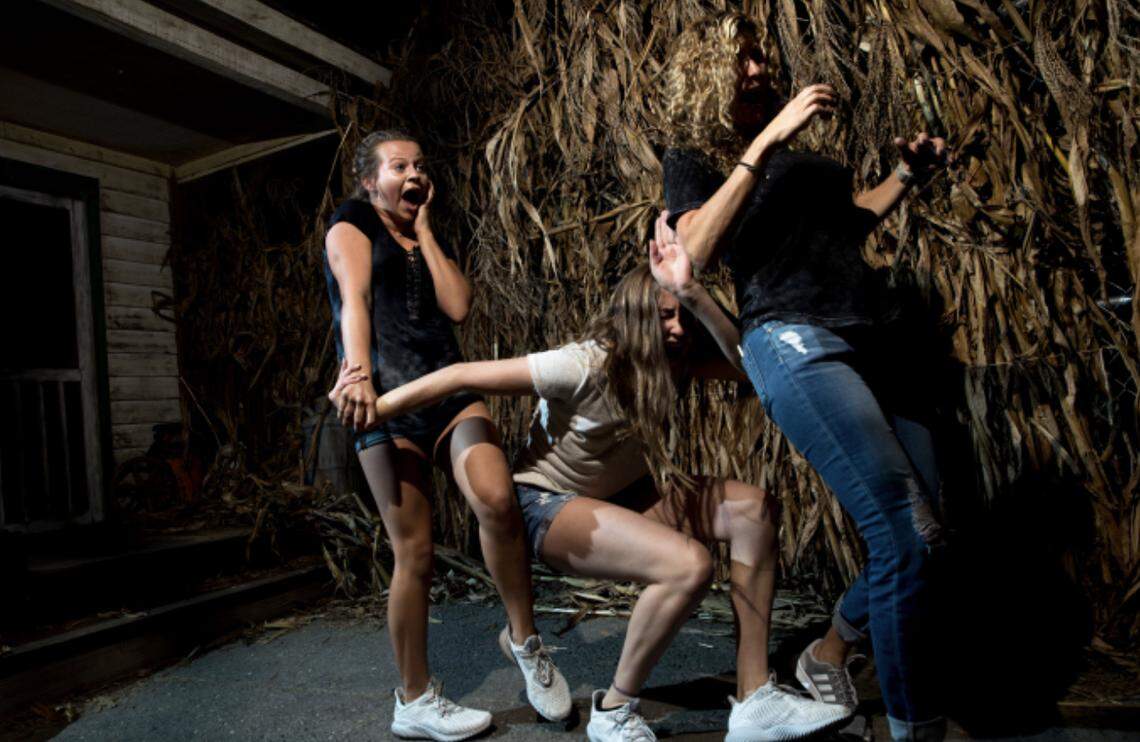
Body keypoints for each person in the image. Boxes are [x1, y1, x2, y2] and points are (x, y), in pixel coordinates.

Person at [331, 213, 851, 742]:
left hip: (628, 494)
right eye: (665, 315)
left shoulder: (675, 361)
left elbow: (752, 366)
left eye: (682, 317)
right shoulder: (581, 364)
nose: (676, 329)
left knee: (754, 511)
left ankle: (754, 696)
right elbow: (460, 375)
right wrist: (378, 406)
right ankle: (616, 710)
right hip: (549, 506)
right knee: (687, 566)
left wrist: (693, 295)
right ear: (633, 316)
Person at [661, 12, 951, 741]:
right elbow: (692, 249)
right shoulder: (694, 156)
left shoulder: (797, 160)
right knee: (901, 539)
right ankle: (919, 728)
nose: (759, 70)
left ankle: (831, 649)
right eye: (742, 60)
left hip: (873, 338)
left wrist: (906, 176)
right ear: (705, 71)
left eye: (760, 58)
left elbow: (846, 227)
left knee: (931, 534)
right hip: (794, 342)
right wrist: (765, 141)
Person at [324, 129, 570, 741]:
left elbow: (458, 307)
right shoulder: (351, 222)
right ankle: (414, 699)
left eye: (420, 164)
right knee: (416, 552)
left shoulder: (422, 234)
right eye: (399, 165)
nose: (414, 173)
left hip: (449, 394)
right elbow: (352, 300)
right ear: (369, 181)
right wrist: (355, 375)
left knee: (496, 498)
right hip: (387, 403)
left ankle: (524, 639)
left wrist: (427, 232)